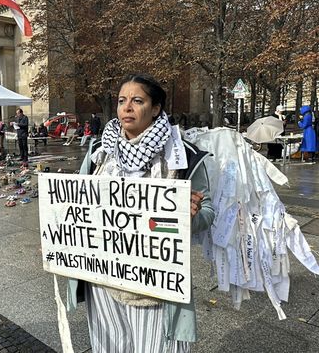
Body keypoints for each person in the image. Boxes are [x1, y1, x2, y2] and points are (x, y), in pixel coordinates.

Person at [67, 73, 214, 352]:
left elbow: (207, 211)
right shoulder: (100, 151)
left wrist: (189, 215)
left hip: (154, 287)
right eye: (122, 101)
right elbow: (79, 201)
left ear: (156, 108)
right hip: (103, 280)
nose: (127, 107)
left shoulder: (182, 155)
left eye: (137, 100)